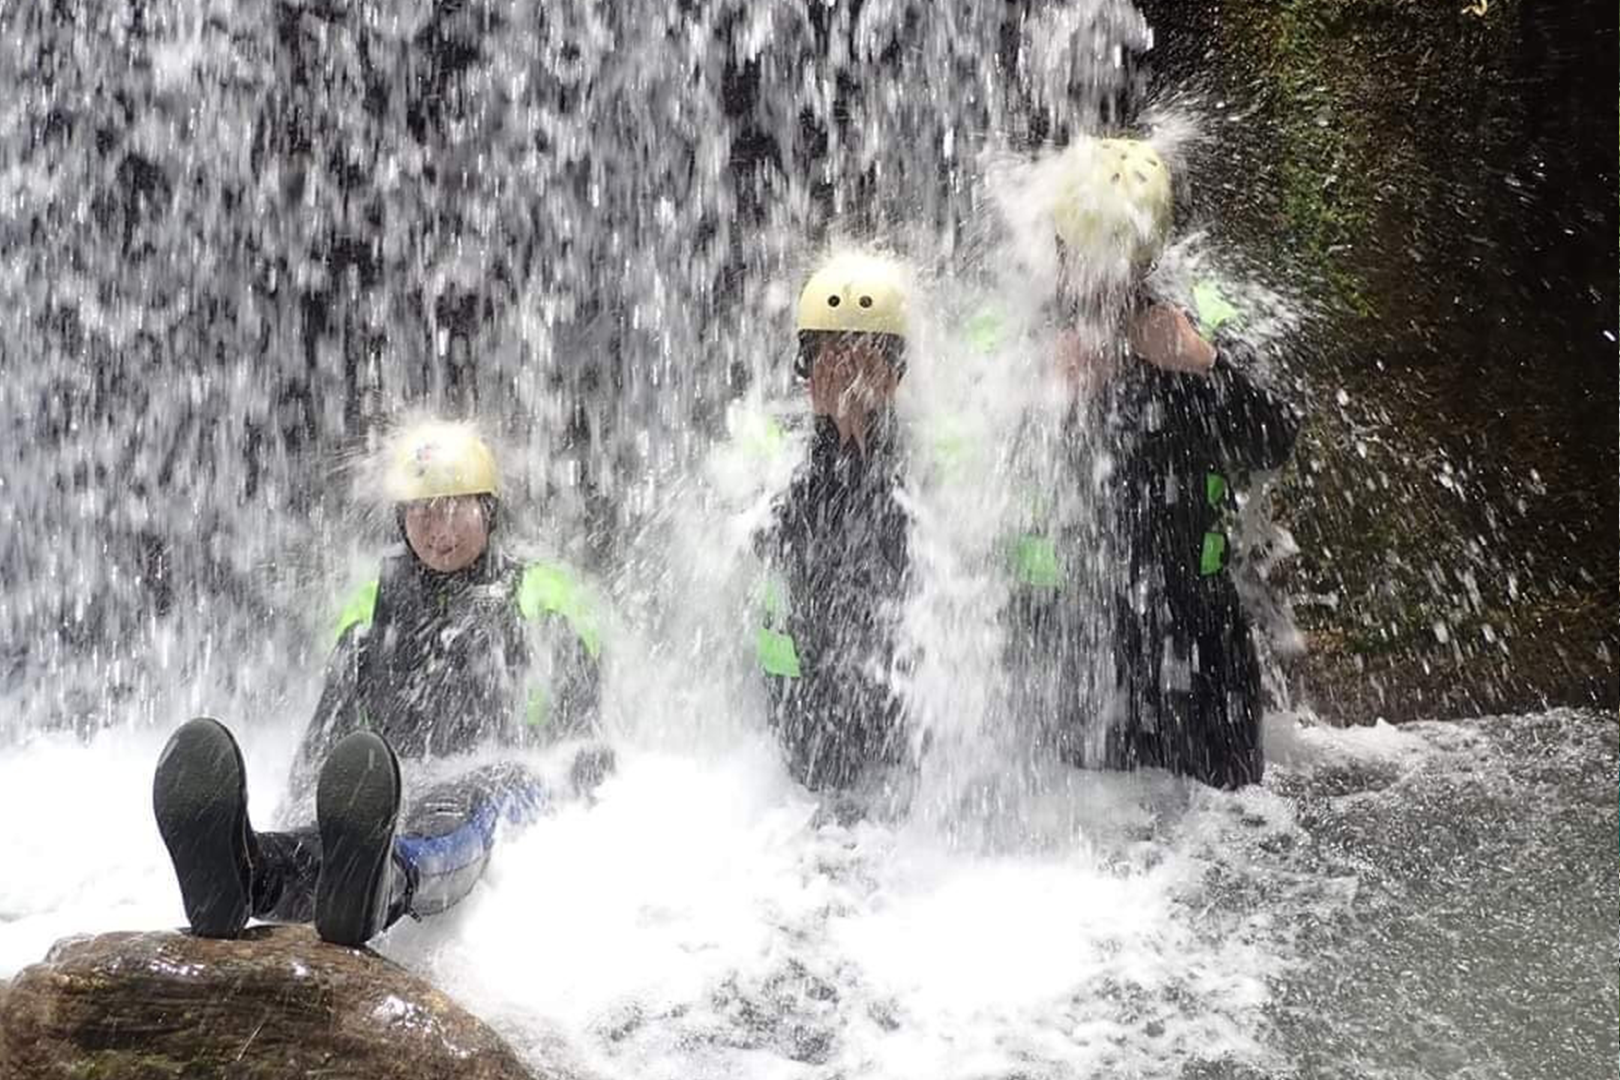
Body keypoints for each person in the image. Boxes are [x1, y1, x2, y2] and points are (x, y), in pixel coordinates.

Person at [152, 419, 606, 946]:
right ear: (401, 519)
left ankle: (387, 884)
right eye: (424, 511)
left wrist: (578, 790)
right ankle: (253, 869)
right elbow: (327, 735)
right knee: (349, 831)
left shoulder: (543, 596)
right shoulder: (372, 607)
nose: (442, 530)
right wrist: (300, 806)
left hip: (510, 778)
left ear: (490, 511)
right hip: (392, 783)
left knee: (451, 812)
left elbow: (586, 724)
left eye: (459, 507)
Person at [1010, 136, 1302, 789]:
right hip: (1061, 637)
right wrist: (1039, 395)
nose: (1109, 283)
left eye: (1126, 265)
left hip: (1194, 636)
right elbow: (951, 477)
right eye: (1088, 261)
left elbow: (1277, 437)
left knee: (1223, 824)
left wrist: (1207, 365)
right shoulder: (1017, 323)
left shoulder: (1198, 312)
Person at [755, 251, 915, 791]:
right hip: (802, 706)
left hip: (904, 699)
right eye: (829, 354)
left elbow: (928, 549)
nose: (844, 372)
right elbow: (771, 546)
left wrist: (874, 445)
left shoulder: (933, 439)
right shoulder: (770, 438)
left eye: (863, 355)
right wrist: (833, 447)